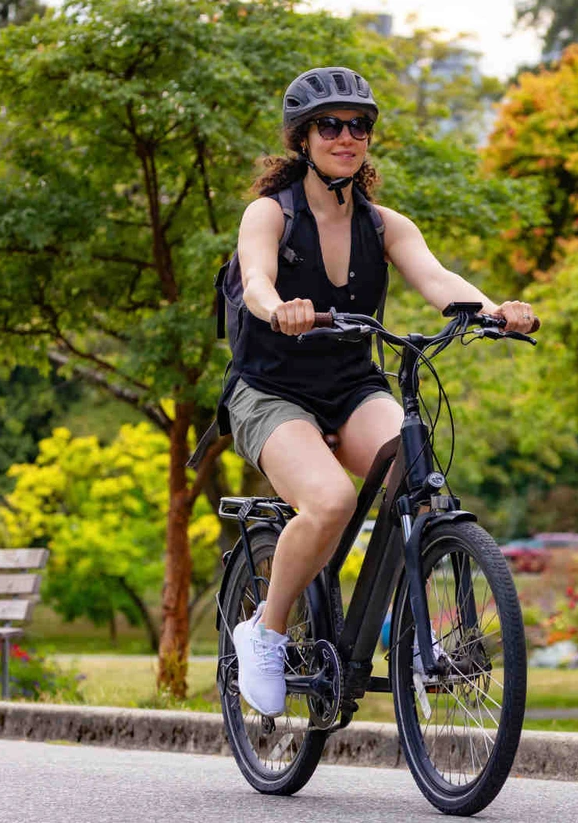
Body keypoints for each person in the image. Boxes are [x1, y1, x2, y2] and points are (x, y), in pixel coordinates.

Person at [229, 66, 537, 717]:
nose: (347, 136)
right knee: (331, 500)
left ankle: (413, 635)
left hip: (351, 385)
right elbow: (255, 279)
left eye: (358, 125)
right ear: (303, 138)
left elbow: (437, 278)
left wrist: (493, 310)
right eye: (330, 126)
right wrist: (278, 307)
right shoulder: (270, 213)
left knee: (416, 477)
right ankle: (266, 631)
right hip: (271, 392)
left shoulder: (382, 224)